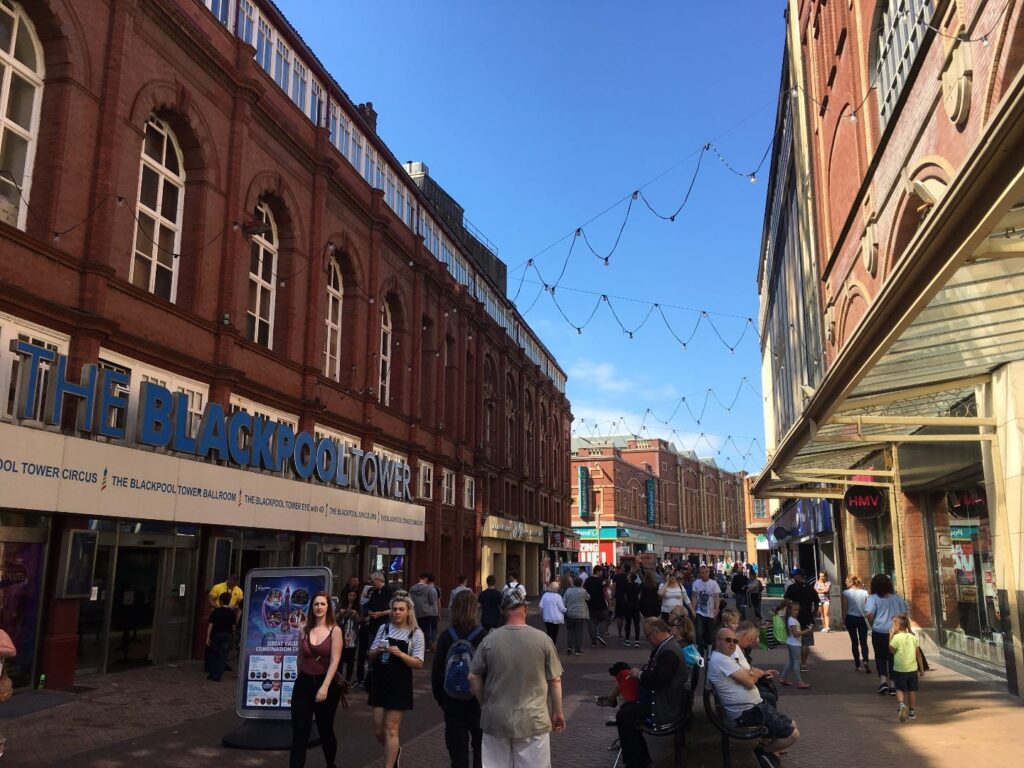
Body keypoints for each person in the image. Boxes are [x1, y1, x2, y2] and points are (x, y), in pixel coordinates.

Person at [469, 589, 565, 768]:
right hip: (534, 719)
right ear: (525, 609)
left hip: (496, 719)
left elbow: (473, 676)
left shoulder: (490, 640)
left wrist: (485, 702)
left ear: (503, 611)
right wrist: (557, 711)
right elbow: (555, 680)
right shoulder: (543, 640)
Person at [708, 627, 799, 768]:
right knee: (793, 735)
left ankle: (768, 752)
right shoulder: (721, 660)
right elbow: (750, 682)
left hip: (755, 706)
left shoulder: (726, 658)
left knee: (792, 725)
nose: (732, 644)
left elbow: (749, 674)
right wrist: (751, 675)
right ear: (718, 641)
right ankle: (763, 752)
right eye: (728, 640)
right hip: (746, 712)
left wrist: (750, 674)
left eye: (734, 641)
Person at [614, 618, 688, 768]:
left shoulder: (669, 652)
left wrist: (640, 674)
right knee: (626, 711)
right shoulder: (667, 647)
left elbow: (660, 679)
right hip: (663, 700)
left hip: (663, 706)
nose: (648, 640)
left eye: (647, 636)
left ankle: (636, 761)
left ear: (655, 632)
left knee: (624, 715)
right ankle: (639, 759)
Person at [367, 593, 425, 768]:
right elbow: (370, 655)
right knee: (378, 729)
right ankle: (394, 750)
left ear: (408, 612)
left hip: (400, 684)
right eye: (394, 609)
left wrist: (400, 654)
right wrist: (377, 650)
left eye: (401, 609)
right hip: (380, 681)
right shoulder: (384, 628)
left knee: (391, 729)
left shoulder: (416, 633)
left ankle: (389, 765)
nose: (397, 612)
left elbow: (419, 663)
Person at [433, 590, 487, 768]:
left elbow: (437, 671)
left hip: (452, 701)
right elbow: (489, 671)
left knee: (457, 752)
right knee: (481, 748)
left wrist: (442, 699)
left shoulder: (446, 636)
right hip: (478, 702)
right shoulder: (483, 636)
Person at [290, 592, 344, 768]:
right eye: (316, 604)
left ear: (328, 607)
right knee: (299, 732)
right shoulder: (303, 629)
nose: (319, 607)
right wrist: (300, 679)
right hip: (304, 684)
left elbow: (335, 660)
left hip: (326, 684)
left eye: (322, 604)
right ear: (311, 607)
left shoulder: (335, 631)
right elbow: (301, 657)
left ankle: (331, 763)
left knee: (325, 729)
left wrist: (325, 687)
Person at [864, 573, 909, 696]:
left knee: (880, 657)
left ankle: (883, 682)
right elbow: (905, 614)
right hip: (895, 632)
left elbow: (869, 614)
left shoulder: (873, 598)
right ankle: (893, 685)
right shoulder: (897, 598)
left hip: (879, 631)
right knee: (893, 658)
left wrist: (873, 623)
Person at [357, 571, 393, 689]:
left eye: (373, 582)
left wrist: (380, 613)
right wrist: (370, 613)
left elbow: (391, 609)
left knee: (380, 651)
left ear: (378, 580)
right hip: (373, 625)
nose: (373, 584)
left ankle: (377, 678)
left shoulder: (388, 591)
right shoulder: (375, 592)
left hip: (382, 624)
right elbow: (370, 606)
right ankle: (370, 679)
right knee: (371, 651)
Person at [889, 615, 925, 722]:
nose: (892, 627)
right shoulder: (913, 637)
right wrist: (921, 669)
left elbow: (891, 650)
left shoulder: (896, 638)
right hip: (912, 669)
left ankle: (901, 704)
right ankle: (912, 712)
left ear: (898, 626)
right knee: (912, 690)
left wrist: (890, 636)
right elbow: (918, 654)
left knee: (899, 689)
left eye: (893, 625)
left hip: (900, 669)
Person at [783, 569, 819, 672]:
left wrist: (782, 610)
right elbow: (817, 602)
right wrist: (814, 614)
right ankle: (803, 663)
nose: (794, 577)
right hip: (807, 618)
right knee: (806, 643)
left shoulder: (792, 588)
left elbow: (786, 601)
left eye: (795, 575)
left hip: (794, 618)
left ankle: (795, 662)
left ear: (799, 576)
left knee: (793, 641)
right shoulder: (810, 588)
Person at [778, 600, 811, 689]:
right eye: (795, 610)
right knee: (796, 662)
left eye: (797, 610)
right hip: (795, 643)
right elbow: (796, 634)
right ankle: (800, 681)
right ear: (790, 610)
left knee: (791, 661)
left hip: (791, 642)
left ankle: (783, 678)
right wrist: (806, 631)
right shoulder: (792, 621)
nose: (797, 612)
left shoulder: (790, 619)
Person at [841, 575, 871, 673]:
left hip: (851, 617)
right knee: (863, 641)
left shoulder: (846, 593)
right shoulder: (865, 593)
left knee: (854, 642)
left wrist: (844, 620)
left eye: (847, 581)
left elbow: (845, 608)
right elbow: (867, 609)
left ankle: (858, 665)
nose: (846, 582)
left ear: (852, 582)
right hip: (862, 618)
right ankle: (866, 660)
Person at [205, 592, 236, 682]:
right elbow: (233, 626)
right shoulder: (231, 613)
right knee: (223, 655)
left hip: (216, 634)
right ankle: (218, 675)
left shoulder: (216, 612)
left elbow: (210, 625)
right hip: (227, 634)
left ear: (221, 601)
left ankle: (212, 673)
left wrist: (207, 637)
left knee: (214, 654)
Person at [691, 564, 721, 651]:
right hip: (700, 611)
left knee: (711, 634)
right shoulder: (696, 583)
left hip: (710, 613)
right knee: (699, 632)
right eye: (701, 573)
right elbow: (694, 597)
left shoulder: (713, 583)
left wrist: (716, 608)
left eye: (704, 573)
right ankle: (700, 650)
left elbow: (716, 597)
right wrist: (693, 609)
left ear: (708, 572)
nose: (702, 575)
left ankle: (710, 651)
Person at [410, 573, 440, 654]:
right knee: (426, 631)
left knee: (416, 630)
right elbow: (432, 601)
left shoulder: (412, 589)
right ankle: (425, 647)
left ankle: (415, 646)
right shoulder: (428, 588)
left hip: (416, 612)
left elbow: (410, 601)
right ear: (426, 579)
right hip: (427, 613)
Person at [337, 589, 362, 683]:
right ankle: (338, 679)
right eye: (350, 595)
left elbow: (361, 621)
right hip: (341, 636)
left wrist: (356, 615)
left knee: (350, 661)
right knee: (339, 660)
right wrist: (341, 613)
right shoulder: (342, 605)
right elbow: (335, 618)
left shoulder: (359, 607)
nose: (351, 597)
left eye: (353, 595)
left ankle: (347, 681)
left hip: (352, 637)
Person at [583, 566, 609, 647]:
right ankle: (600, 634)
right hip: (601, 604)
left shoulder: (587, 580)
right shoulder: (602, 581)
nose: (602, 573)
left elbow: (584, 590)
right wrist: (609, 601)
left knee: (592, 623)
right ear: (598, 571)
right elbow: (605, 592)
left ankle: (593, 641)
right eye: (601, 571)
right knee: (606, 620)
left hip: (590, 604)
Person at [562, 576, 589, 655]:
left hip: (570, 614)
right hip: (580, 614)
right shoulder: (583, 591)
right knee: (579, 632)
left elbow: (564, 601)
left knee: (570, 631)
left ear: (573, 583)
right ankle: (577, 649)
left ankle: (569, 647)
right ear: (581, 583)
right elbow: (588, 598)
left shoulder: (568, 591)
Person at [539, 581, 567, 645]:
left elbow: (541, 606)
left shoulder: (545, 595)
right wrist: (566, 610)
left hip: (547, 618)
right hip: (555, 618)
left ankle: (548, 646)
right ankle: (552, 647)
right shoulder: (558, 596)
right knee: (554, 634)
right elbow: (562, 608)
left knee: (549, 632)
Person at [620, 570, 642, 647]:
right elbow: (639, 596)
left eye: (628, 576)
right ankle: (636, 641)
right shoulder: (637, 585)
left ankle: (627, 640)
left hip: (628, 605)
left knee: (628, 623)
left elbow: (625, 596)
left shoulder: (626, 586)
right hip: (636, 605)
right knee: (637, 624)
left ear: (630, 578)